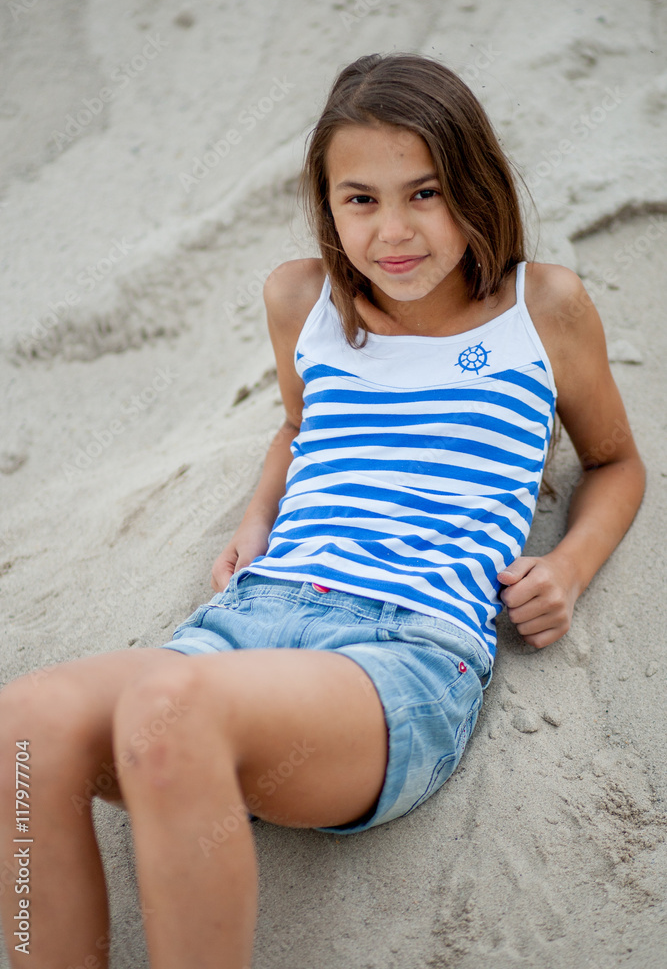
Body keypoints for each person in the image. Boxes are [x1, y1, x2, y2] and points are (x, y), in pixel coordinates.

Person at [0, 52, 645, 969]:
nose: (393, 231)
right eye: (360, 199)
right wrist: (260, 512)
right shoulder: (301, 297)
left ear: (474, 184)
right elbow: (300, 429)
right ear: (326, 203)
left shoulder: (541, 308)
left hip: (405, 648)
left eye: (423, 193)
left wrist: (570, 565)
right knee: (23, 724)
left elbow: (616, 462)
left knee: (170, 709)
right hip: (252, 616)